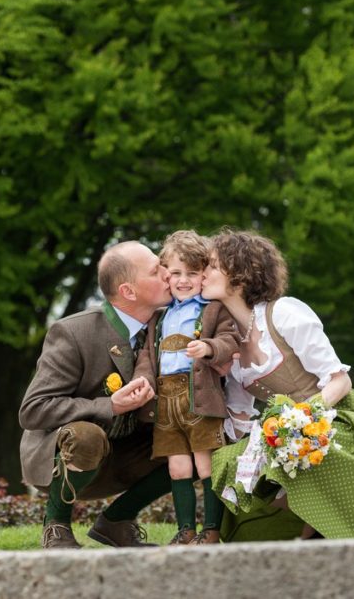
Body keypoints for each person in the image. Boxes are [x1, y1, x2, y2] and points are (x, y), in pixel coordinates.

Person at [203, 228, 354, 539]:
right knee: (230, 465)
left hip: (338, 420)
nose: (203, 273)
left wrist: (297, 421)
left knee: (291, 453)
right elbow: (241, 416)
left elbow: (340, 381)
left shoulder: (284, 314)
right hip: (286, 432)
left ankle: (315, 532)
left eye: (212, 266)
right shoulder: (230, 343)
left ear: (240, 277)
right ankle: (311, 531)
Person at [19, 241, 174, 549]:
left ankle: (116, 522)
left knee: (201, 440)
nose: (168, 274)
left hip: (130, 452)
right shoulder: (73, 332)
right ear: (129, 291)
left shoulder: (172, 324)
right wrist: (109, 405)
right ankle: (56, 526)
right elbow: (33, 410)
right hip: (71, 454)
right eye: (156, 271)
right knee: (86, 435)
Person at [131, 230, 239, 544]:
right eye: (176, 273)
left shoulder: (212, 309)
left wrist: (208, 348)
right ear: (166, 274)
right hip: (166, 402)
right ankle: (185, 530)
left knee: (205, 465)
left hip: (199, 396)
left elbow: (229, 341)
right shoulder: (160, 317)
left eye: (192, 273)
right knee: (178, 468)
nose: (183, 280)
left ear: (204, 274)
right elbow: (148, 356)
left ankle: (212, 530)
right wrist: (143, 381)